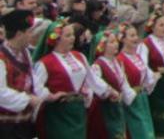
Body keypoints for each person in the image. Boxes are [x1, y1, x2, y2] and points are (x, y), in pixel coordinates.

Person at [33, 20, 97, 137]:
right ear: (56, 39)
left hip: (78, 112)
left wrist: (88, 93)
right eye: (68, 35)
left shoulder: (80, 56)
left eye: (73, 34)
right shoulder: (45, 63)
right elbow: (36, 88)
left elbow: (91, 80)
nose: (72, 38)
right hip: (58, 114)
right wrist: (50, 96)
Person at [0, 10, 41, 139]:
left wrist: (45, 96)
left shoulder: (25, 53)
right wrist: (27, 99)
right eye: (28, 32)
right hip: (6, 126)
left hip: (25, 122)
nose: (31, 35)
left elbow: (32, 78)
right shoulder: (1, 57)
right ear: (19, 34)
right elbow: (1, 93)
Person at [140, 15, 164, 138]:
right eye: (161, 25)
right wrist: (154, 74)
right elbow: (143, 65)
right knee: (155, 112)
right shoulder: (146, 43)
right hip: (155, 84)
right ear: (152, 27)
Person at [88, 26, 129, 139]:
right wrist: (109, 93)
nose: (116, 44)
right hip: (103, 111)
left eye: (116, 41)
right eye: (111, 42)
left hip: (117, 109)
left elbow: (122, 83)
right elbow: (94, 87)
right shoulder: (97, 66)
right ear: (102, 46)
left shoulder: (118, 63)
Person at [117, 23, 157, 139]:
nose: (136, 38)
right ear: (123, 39)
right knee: (137, 132)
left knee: (146, 131)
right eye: (132, 36)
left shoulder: (137, 56)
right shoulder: (120, 59)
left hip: (142, 99)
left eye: (136, 35)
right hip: (130, 102)